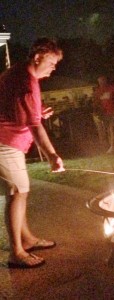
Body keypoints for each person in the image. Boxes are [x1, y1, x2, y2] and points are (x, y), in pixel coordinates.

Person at [0, 37, 65, 269]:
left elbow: (16, 108)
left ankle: (26, 239)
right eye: (51, 62)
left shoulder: (16, 73)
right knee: (17, 192)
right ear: (37, 57)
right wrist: (52, 155)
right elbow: (34, 127)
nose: (54, 67)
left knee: (20, 192)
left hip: (10, 142)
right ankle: (16, 252)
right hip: (4, 143)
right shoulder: (26, 82)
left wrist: (36, 112)